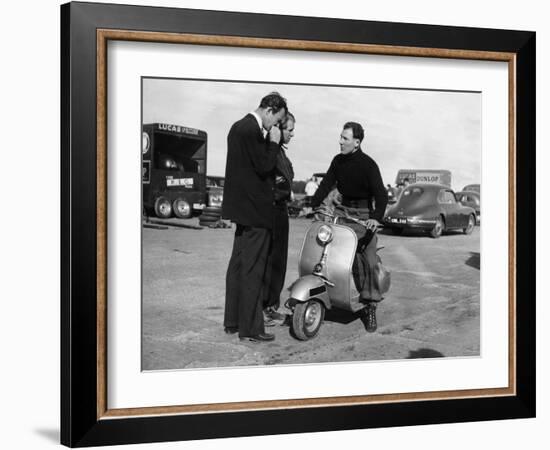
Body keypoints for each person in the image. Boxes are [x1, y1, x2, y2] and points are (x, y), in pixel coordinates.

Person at [222, 92, 288, 342]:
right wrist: (272, 143)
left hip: (240, 210)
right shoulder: (253, 130)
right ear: (270, 110)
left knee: (238, 266)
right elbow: (263, 167)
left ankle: (233, 321)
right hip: (257, 212)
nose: (275, 126)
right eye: (276, 120)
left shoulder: (237, 127)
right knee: (253, 270)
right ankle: (251, 328)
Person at [310, 121, 388, 332]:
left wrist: (375, 218)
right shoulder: (338, 161)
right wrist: (313, 203)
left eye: (345, 138)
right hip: (342, 212)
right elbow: (327, 183)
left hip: (363, 216)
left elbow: (381, 195)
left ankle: (370, 305)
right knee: (325, 248)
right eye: (341, 137)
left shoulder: (368, 165)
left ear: (357, 142)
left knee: (368, 260)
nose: (340, 141)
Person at [264, 112, 296, 326]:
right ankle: (264, 308)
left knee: (279, 262)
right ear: (279, 128)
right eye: (290, 129)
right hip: (272, 211)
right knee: (270, 262)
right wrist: (285, 191)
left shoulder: (282, 154)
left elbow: (285, 181)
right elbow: (273, 184)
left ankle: (271, 306)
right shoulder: (271, 151)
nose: (293, 134)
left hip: (281, 211)